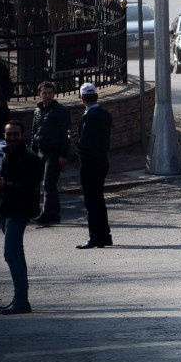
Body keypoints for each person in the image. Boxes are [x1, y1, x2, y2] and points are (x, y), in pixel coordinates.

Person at [0, 120, 43, 315]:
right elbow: (8, 180)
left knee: (11, 254)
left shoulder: (29, 158)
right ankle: (19, 298)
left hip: (19, 210)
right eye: (8, 134)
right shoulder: (8, 155)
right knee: (16, 254)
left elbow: (29, 188)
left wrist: (6, 185)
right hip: (7, 209)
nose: (11, 137)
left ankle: (21, 300)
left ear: (22, 135)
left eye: (15, 134)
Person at [75, 83, 113, 249]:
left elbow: (84, 144)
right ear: (96, 97)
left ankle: (95, 236)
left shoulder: (89, 117)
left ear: (82, 98)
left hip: (90, 163)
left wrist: (73, 139)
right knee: (99, 200)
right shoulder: (105, 115)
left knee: (91, 202)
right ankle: (104, 236)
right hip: (102, 161)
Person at [30, 81, 71, 225]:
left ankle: (47, 214)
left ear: (54, 94)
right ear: (39, 94)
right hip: (41, 152)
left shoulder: (60, 111)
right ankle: (54, 213)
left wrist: (63, 154)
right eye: (44, 93)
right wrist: (33, 153)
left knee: (48, 184)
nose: (47, 96)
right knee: (49, 184)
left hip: (54, 153)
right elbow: (34, 133)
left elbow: (65, 134)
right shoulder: (37, 111)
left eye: (50, 93)